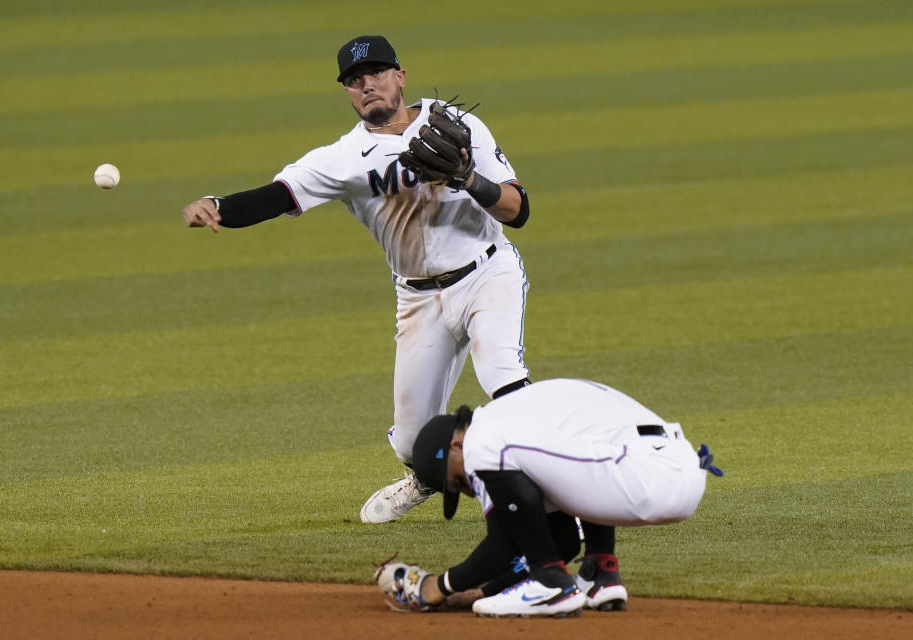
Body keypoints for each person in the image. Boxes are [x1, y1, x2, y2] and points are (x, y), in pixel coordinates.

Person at [180, 35, 532, 524]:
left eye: (378, 73)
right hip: (417, 299)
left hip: (486, 274)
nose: (367, 84)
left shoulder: (459, 126)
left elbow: (518, 211)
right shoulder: (344, 160)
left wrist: (469, 178)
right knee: (412, 442)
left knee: (502, 375)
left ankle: (550, 488)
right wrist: (217, 206)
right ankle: (427, 478)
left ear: (400, 76)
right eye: (354, 79)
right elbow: (276, 196)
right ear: (347, 91)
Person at [378, 378, 722, 617]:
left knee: (493, 451)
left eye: (457, 481)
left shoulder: (483, 435)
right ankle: (600, 571)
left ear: (456, 445)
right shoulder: (522, 416)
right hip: (679, 469)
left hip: (642, 473)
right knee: (551, 474)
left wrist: (438, 587)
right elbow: (559, 542)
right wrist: (486, 590)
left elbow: (505, 540)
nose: (469, 489)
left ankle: (551, 585)